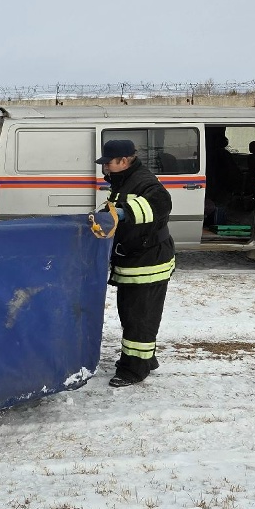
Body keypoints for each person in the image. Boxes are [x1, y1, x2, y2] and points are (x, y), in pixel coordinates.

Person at [89, 139, 175, 388]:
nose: (105, 169)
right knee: (133, 315)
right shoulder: (124, 180)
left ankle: (133, 370)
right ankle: (147, 359)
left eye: (109, 164)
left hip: (148, 264)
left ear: (124, 160)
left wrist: (124, 213)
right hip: (134, 262)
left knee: (139, 318)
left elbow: (161, 203)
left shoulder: (144, 181)